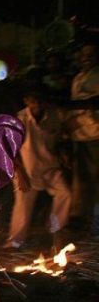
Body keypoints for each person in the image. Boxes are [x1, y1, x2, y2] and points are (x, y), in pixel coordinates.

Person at [6, 91, 71, 249]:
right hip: (27, 169)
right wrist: (20, 174)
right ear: (27, 101)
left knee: (65, 193)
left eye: (40, 99)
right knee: (23, 206)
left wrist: (64, 154)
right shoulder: (20, 119)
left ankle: (55, 230)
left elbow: (60, 139)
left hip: (50, 167)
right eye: (33, 100)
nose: (37, 104)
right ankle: (15, 242)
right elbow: (11, 150)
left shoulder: (54, 115)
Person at [66, 43, 99, 233]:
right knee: (82, 180)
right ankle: (85, 218)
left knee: (95, 179)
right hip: (78, 136)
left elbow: (93, 105)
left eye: (90, 54)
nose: (86, 58)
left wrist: (79, 120)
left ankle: (96, 222)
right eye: (84, 54)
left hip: (94, 134)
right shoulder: (78, 77)